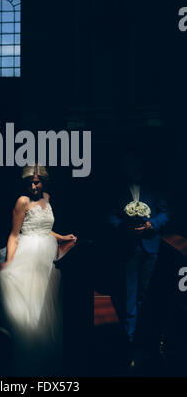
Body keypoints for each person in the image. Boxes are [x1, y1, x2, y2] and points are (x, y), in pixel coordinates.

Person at [0, 164, 77, 376]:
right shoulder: (22, 201)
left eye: (37, 182)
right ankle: (30, 355)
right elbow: (14, 235)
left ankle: (47, 356)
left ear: (44, 182)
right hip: (29, 255)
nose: (33, 186)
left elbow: (44, 227)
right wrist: (10, 261)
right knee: (31, 307)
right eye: (30, 183)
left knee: (47, 305)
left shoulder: (47, 197)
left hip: (47, 256)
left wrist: (62, 237)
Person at [107, 152, 169, 369]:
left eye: (131, 163)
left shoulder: (154, 187)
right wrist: (125, 229)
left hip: (151, 247)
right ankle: (130, 344)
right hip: (129, 248)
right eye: (126, 164)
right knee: (129, 296)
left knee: (147, 295)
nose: (129, 167)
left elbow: (165, 213)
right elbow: (112, 217)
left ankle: (147, 342)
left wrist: (153, 225)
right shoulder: (118, 190)